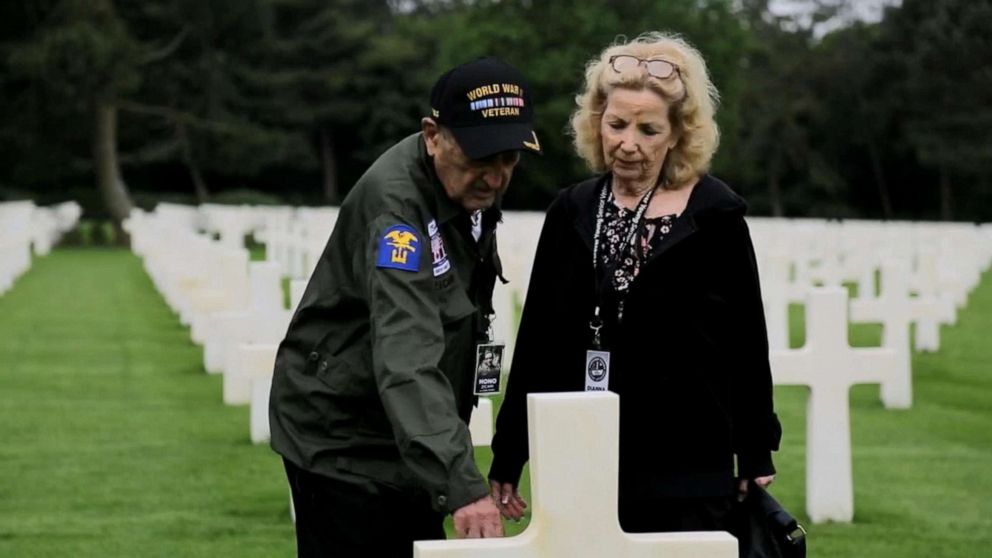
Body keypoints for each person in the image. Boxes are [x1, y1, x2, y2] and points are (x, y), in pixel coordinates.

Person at [488, 32, 782, 536]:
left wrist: (754, 449)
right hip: (581, 446)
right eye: (617, 124)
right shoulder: (572, 210)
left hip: (688, 455)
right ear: (596, 122)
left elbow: (746, 340)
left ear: (677, 134)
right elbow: (538, 335)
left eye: (648, 129)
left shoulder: (717, 215)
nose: (628, 143)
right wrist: (509, 452)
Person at [269, 56, 542, 557]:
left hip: (404, 434)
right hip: (345, 441)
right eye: (481, 158)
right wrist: (462, 483)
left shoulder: (463, 187)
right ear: (433, 134)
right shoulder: (397, 213)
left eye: (509, 159)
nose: (496, 177)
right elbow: (407, 354)